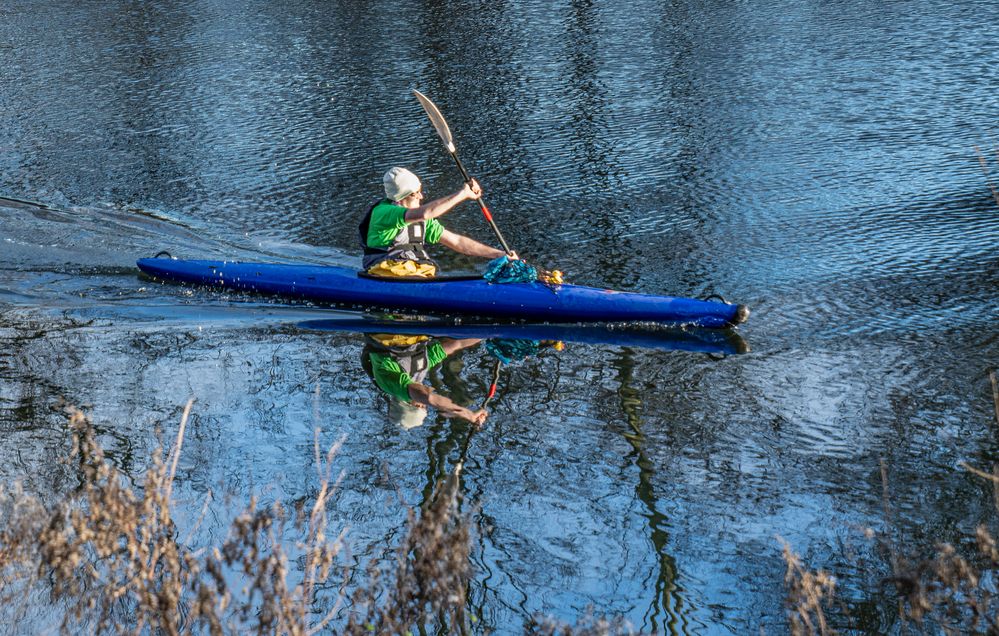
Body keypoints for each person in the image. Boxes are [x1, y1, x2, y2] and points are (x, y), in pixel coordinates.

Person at [359, 167, 516, 278]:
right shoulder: (384, 212)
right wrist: (463, 194)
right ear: (401, 196)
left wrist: (499, 254)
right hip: (384, 271)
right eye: (416, 193)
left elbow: (458, 242)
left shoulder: (421, 221)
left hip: (414, 272)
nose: (421, 196)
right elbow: (427, 213)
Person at [361, 333, 488, 428]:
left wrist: (464, 413)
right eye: (424, 407)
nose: (423, 404)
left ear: (405, 403)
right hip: (416, 330)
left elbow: (427, 397)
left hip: (391, 331)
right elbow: (456, 344)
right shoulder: (419, 371)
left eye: (418, 405)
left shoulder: (389, 385)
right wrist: (491, 333)